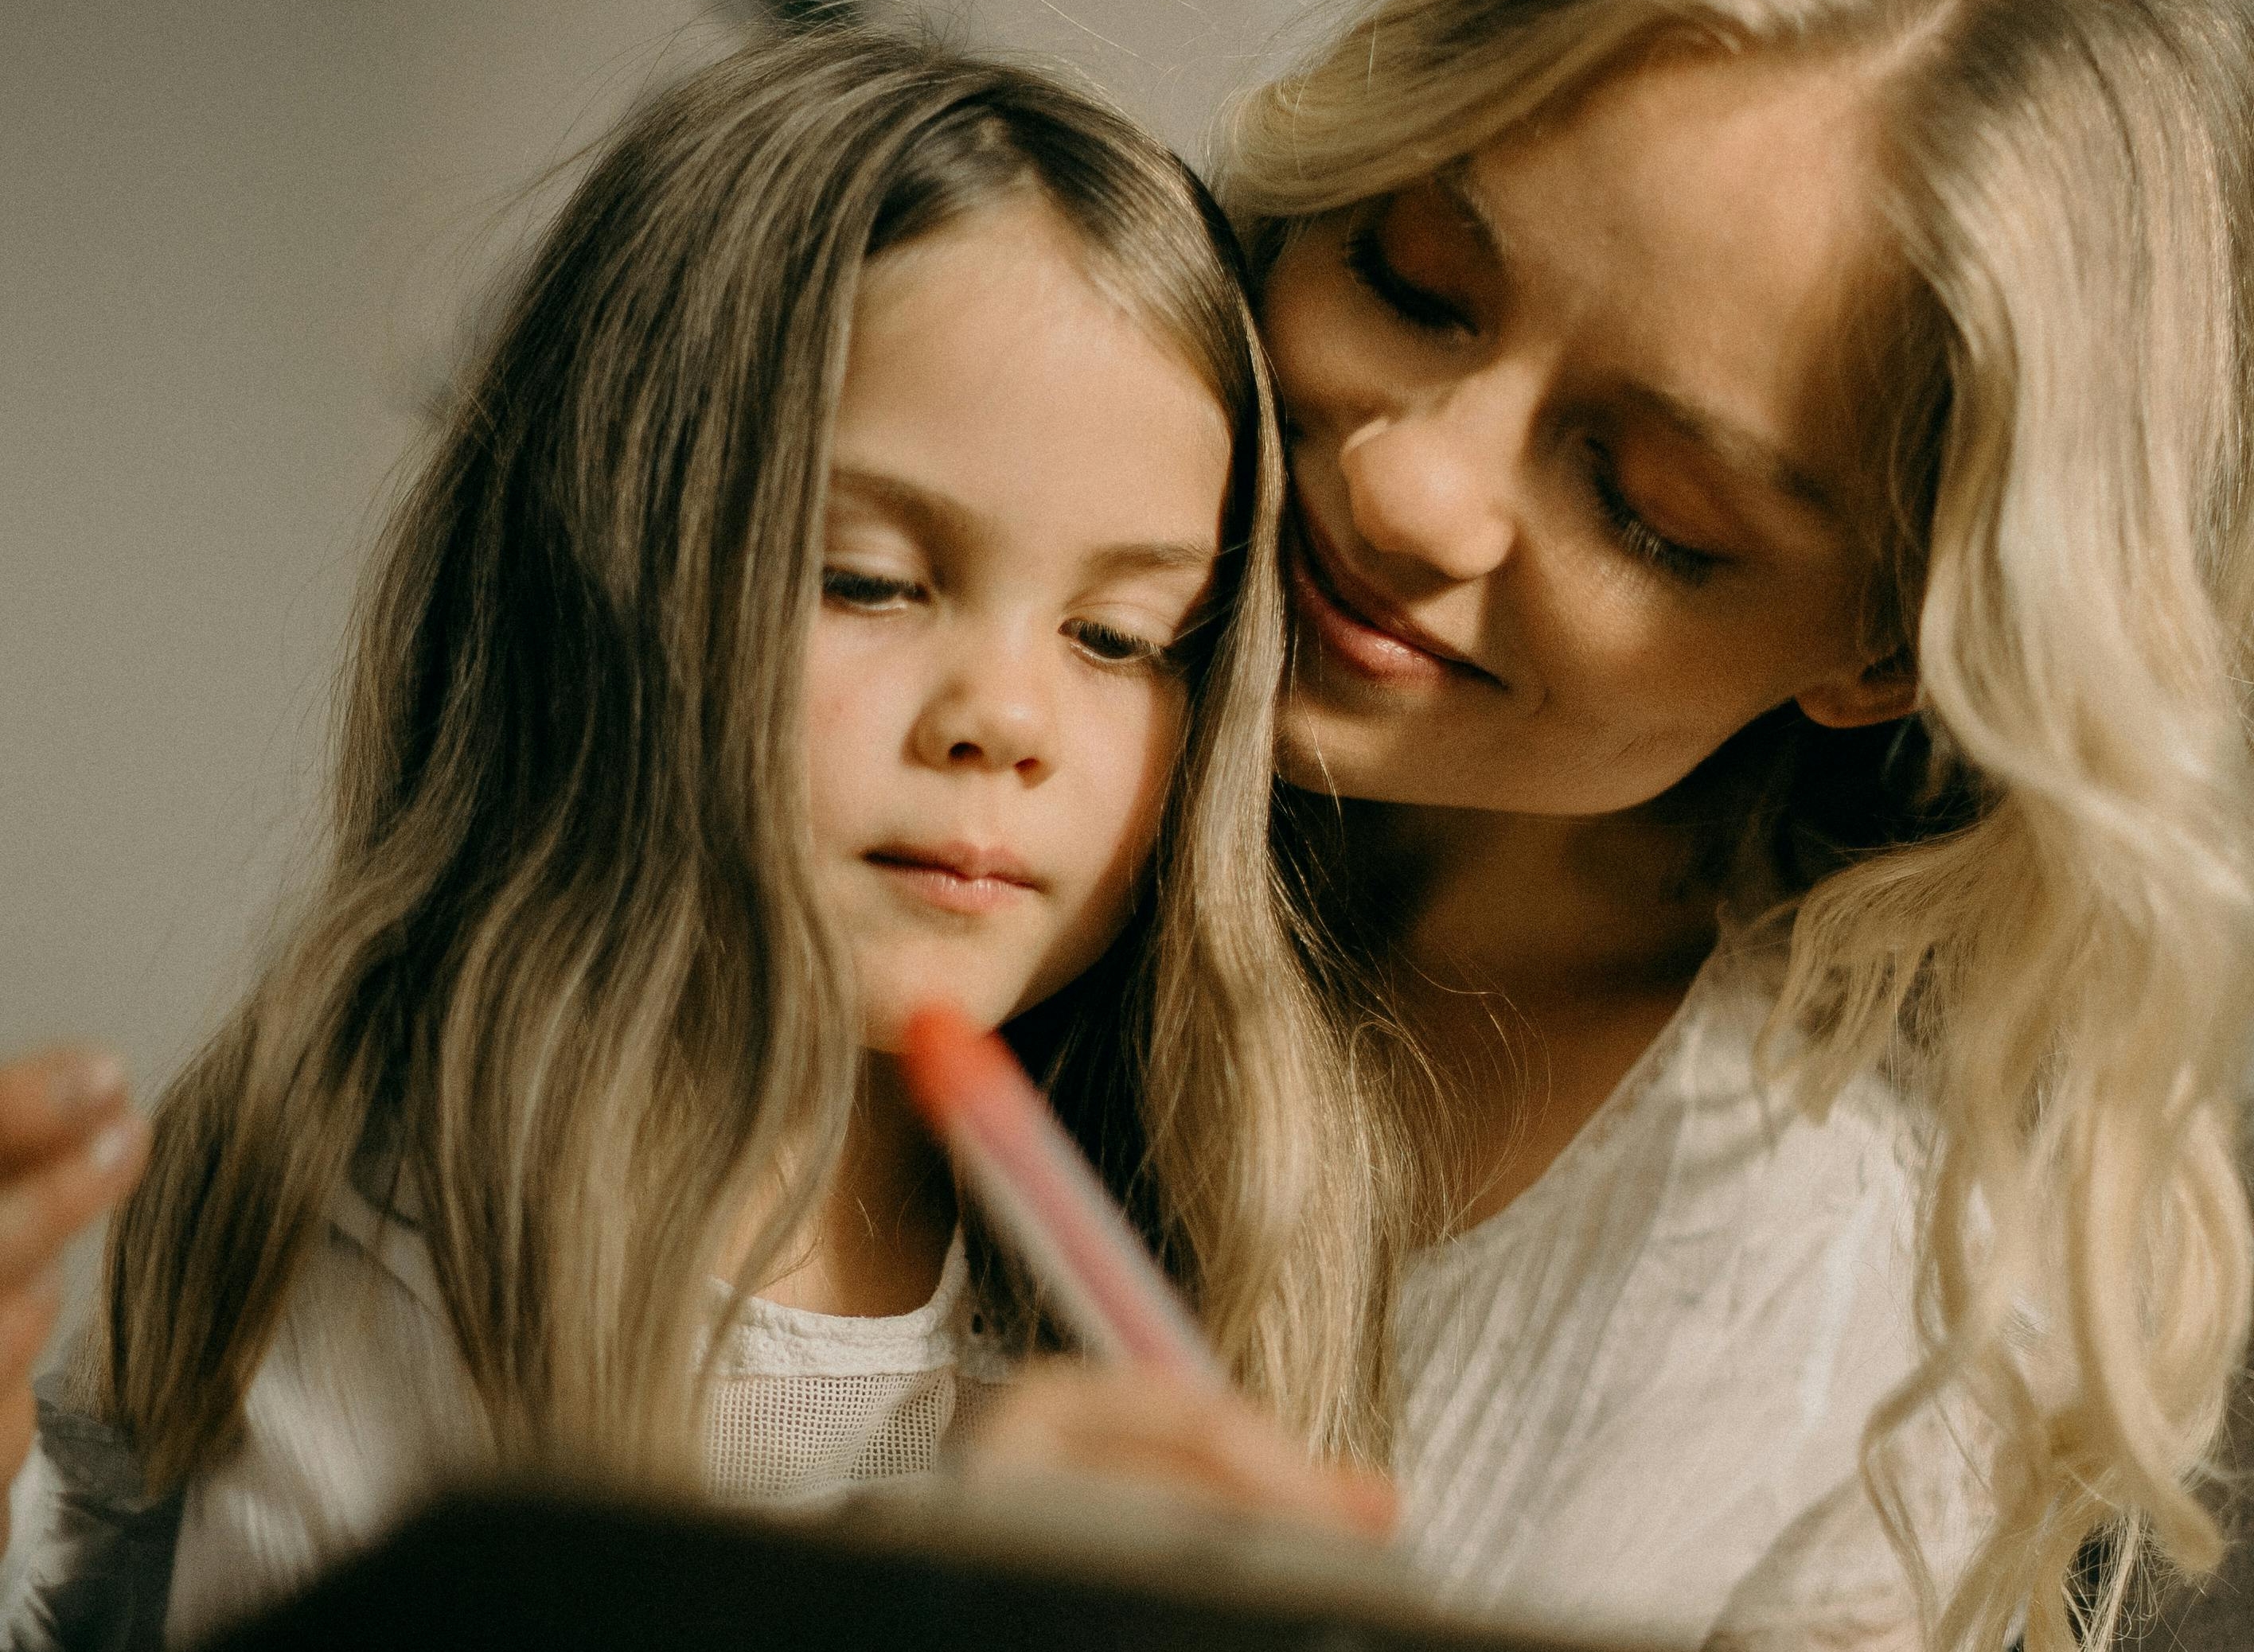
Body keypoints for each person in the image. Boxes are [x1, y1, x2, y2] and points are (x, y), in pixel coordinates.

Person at [0, 30, 1399, 1647]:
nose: (1005, 721)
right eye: (871, 578)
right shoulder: (425, 1212)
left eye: (1121, 636)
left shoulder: (1207, 1205)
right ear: (607, 589)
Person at [982, 2, 2254, 1649]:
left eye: (1652, 509)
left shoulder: (1818, 1295)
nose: (1411, 488)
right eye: (1413, 283)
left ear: (1885, 652)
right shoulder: (916, 719)